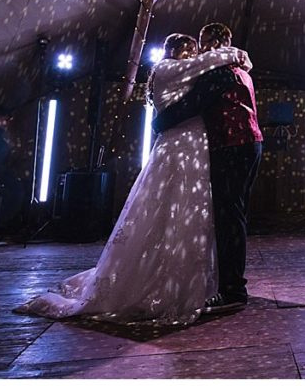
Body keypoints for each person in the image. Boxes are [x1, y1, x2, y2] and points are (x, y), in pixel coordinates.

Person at [14, 34, 247, 324]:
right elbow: (205, 63)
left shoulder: (180, 72)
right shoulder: (167, 69)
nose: (191, 53)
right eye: (186, 48)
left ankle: (188, 275)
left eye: (192, 49)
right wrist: (237, 53)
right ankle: (164, 278)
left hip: (193, 148)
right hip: (180, 149)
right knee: (171, 205)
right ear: (171, 50)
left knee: (190, 209)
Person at [197, 23, 263, 315]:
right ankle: (231, 284)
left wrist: (162, 119)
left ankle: (233, 289)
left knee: (228, 218)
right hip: (249, 143)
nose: (200, 47)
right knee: (235, 214)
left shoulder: (220, 72)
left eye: (204, 41)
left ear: (220, 41)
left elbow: (191, 104)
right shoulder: (241, 70)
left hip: (232, 145)